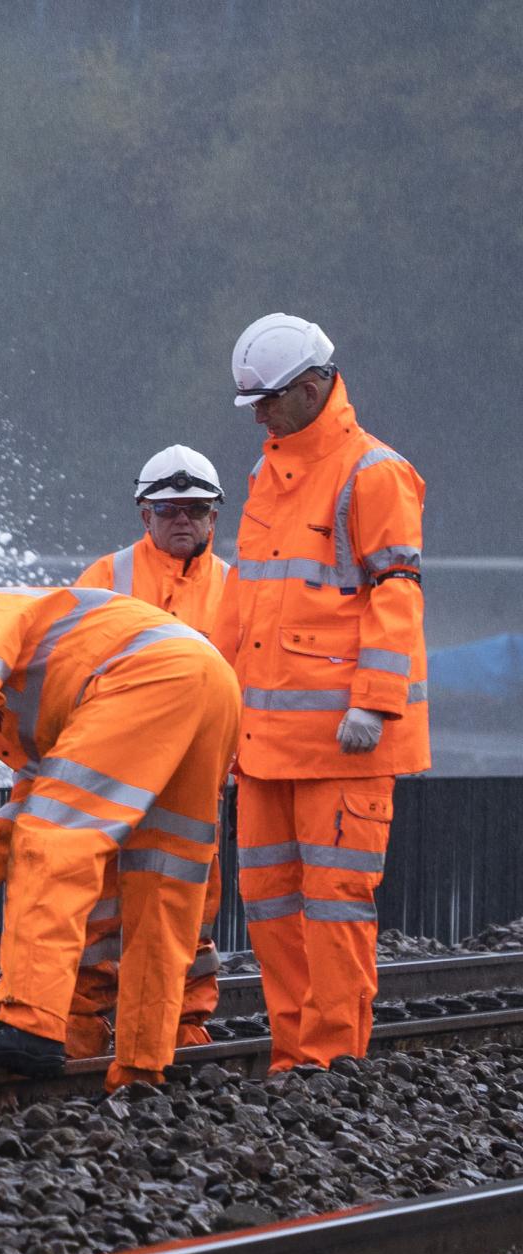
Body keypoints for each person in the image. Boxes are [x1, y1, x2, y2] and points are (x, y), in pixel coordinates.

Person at [214, 313, 428, 1072]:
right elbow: (246, 605)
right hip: (266, 746)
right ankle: (291, 1054)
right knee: (272, 908)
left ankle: (332, 1061)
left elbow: (395, 593)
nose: (261, 417)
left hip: (344, 743)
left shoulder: (373, 472)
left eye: (268, 402)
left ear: (311, 389)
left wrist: (373, 702)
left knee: (335, 907)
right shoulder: (269, 473)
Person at [0, 586, 240, 1091]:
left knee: (51, 845)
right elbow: (43, 790)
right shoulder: (50, 647)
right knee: (164, 880)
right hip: (209, 680)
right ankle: (142, 1063)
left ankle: (30, 1023)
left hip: (144, 678)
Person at [57, 446, 233, 1056]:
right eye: (168, 509)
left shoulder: (236, 588)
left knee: (189, 910)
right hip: (114, 771)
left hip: (194, 779)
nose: (182, 520)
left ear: (214, 517)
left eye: (195, 510)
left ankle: (182, 1024)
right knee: (99, 907)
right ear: (144, 513)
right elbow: (68, 663)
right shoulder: (107, 577)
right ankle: (83, 1024)